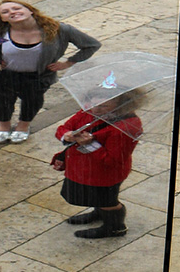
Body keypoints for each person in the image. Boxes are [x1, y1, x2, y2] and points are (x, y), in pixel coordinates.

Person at [0, 0, 99, 143]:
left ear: (30, 10)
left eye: (16, 8)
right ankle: (3, 126)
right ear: (1, 18)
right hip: (2, 75)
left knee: (32, 101)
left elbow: (91, 45)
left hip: (37, 76)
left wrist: (68, 63)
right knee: (1, 102)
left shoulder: (59, 29)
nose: (12, 12)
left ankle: (23, 126)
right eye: (5, 12)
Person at [54, 88, 146, 240]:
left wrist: (91, 145)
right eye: (93, 103)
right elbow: (64, 127)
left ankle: (115, 227)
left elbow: (113, 160)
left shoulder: (126, 127)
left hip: (104, 175)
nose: (95, 108)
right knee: (89, 197)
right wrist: (67, 136)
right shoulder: (88, 112)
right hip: (82, 168)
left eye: (103, 106)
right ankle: (99, 213)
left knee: (107, 200)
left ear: (120, 106)